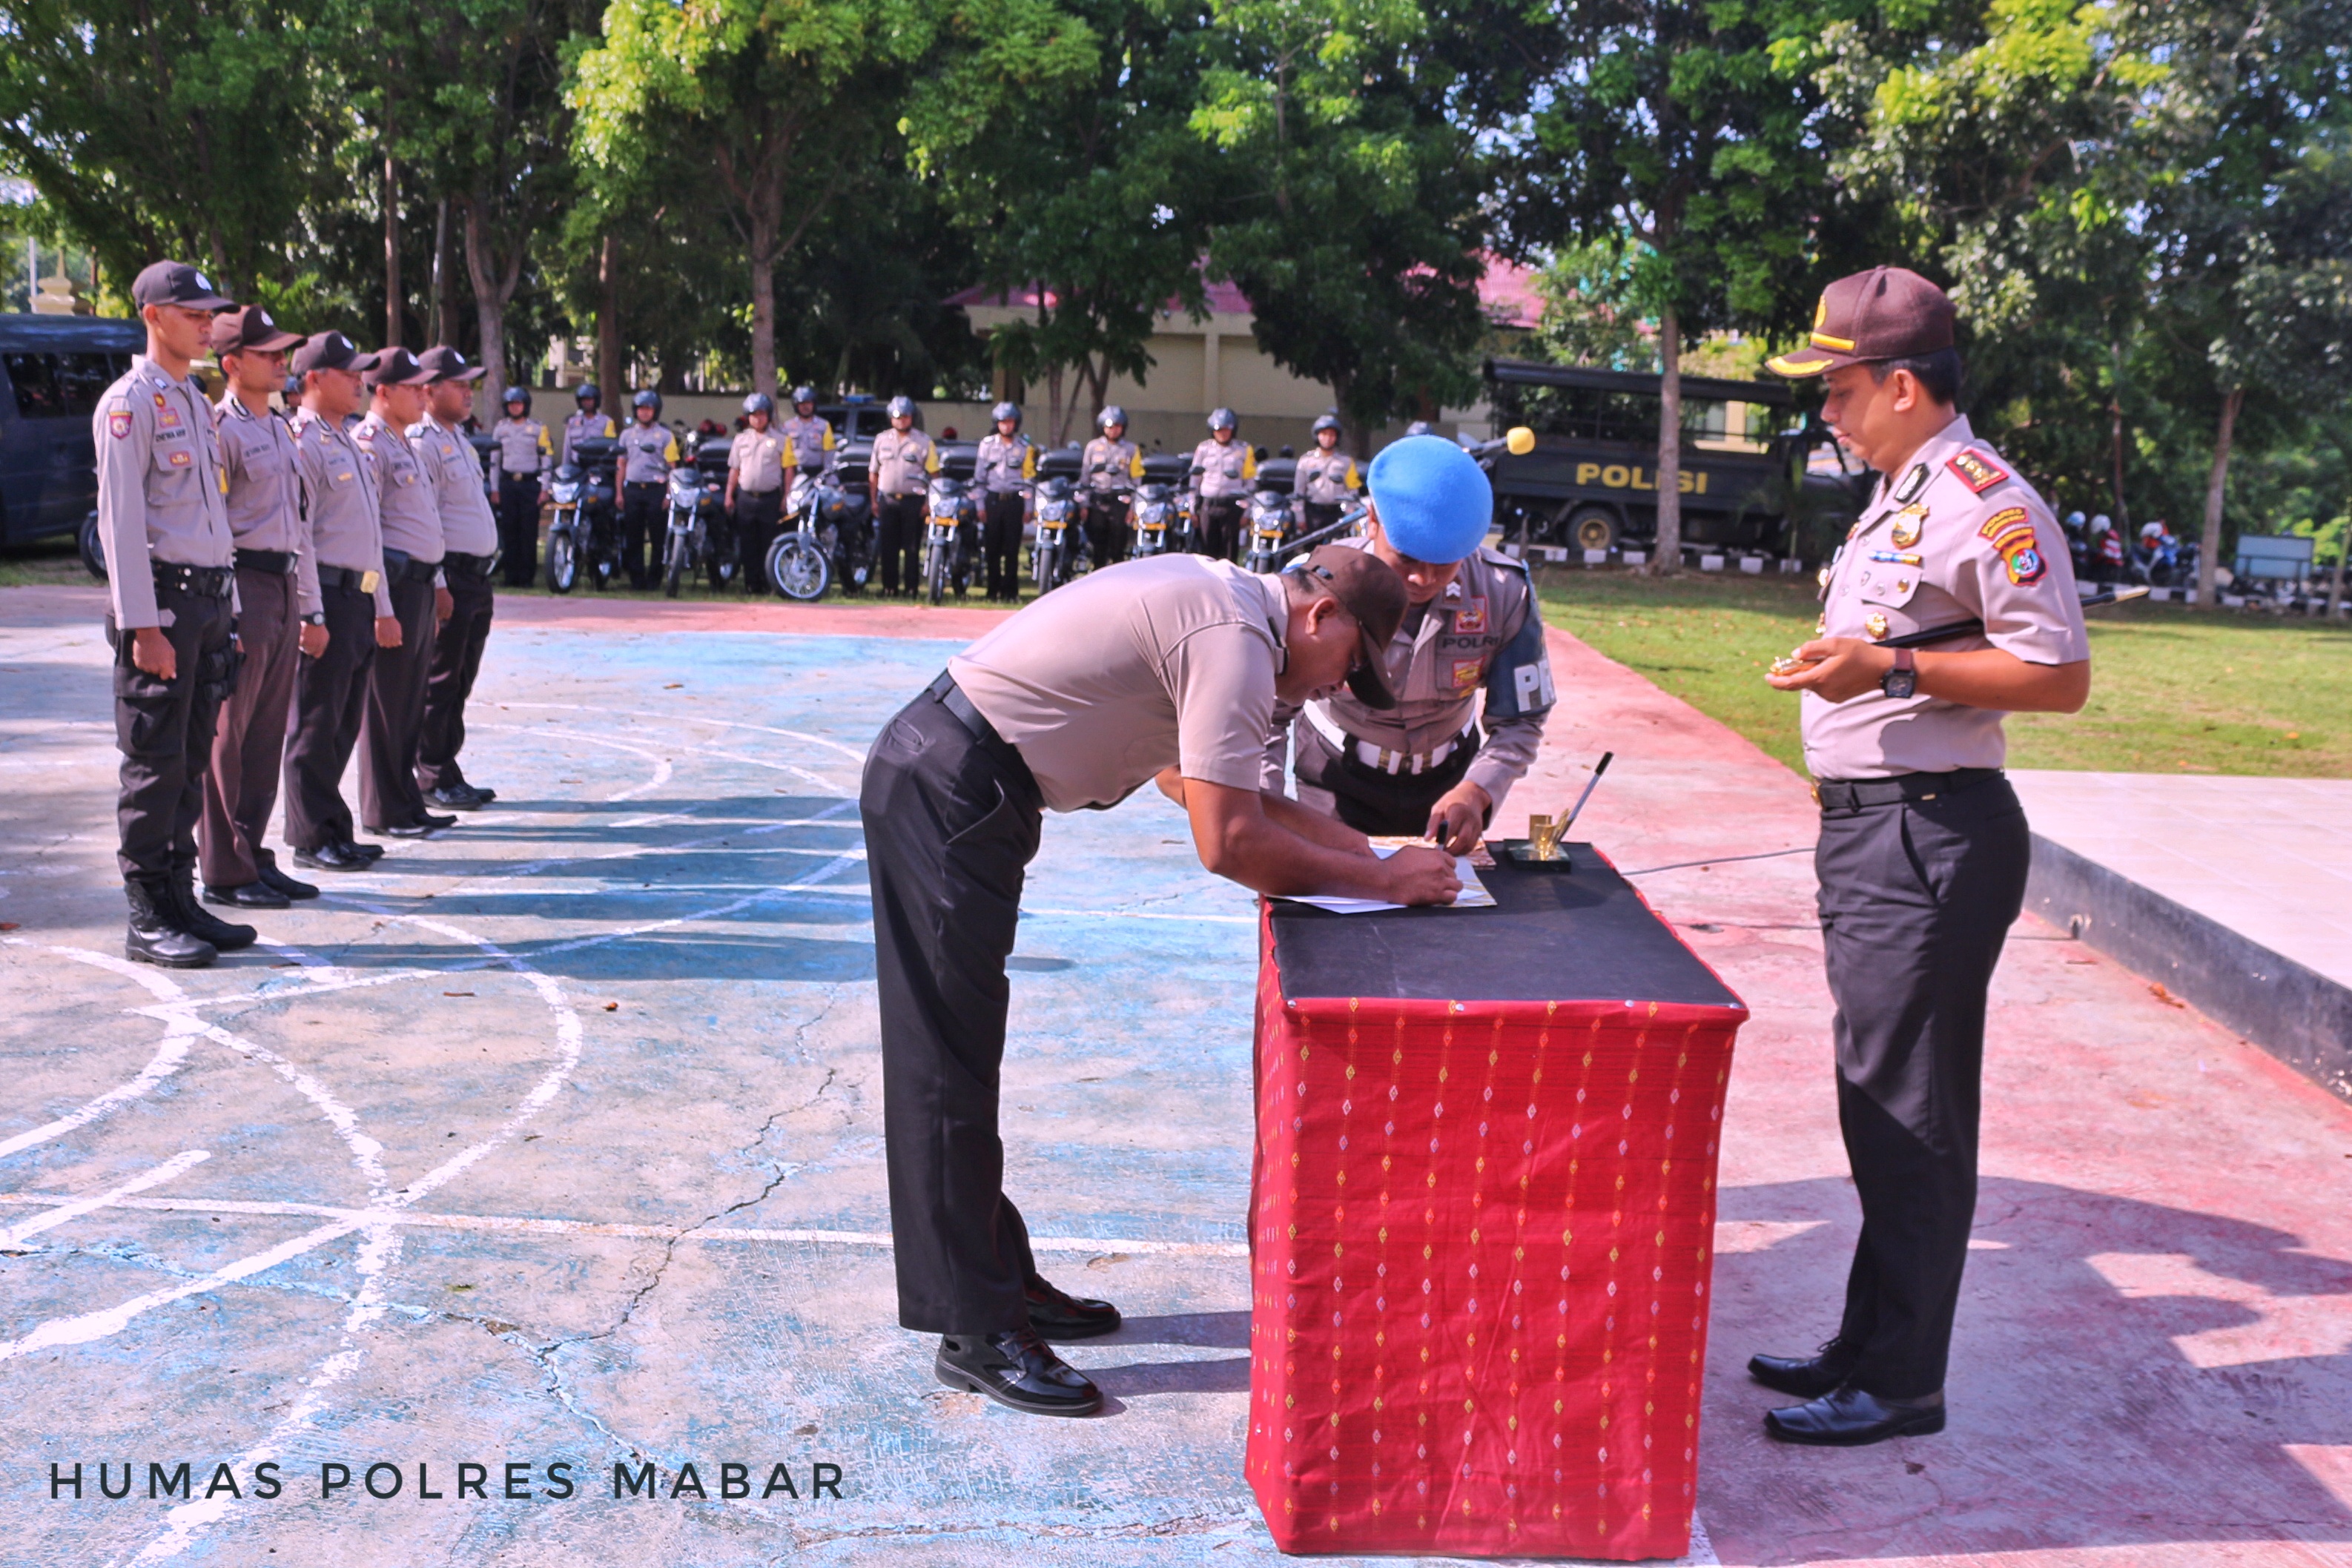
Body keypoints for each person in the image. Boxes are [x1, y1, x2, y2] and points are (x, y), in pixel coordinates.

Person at [862, 544, 1458, 1418]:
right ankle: (974, 1327)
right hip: (949, 784)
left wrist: (1371, 854)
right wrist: (1384, 883)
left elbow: (1202, 786)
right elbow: (1231, 844)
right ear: (1321, 617)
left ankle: (998, 1281)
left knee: (960, 1051)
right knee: (943, 1065)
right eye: (1349, 666)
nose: (1336, 687)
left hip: (964, 782)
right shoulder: (1235, 638)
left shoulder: (1230, 609)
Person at [1756, 266, 2090, 1446]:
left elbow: (2060, 675)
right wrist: (1849, 658)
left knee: (1912, 1112)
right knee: (1875, 1096)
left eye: (1837, 390)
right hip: (1878, 828)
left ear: (1902, 385)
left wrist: (1890, 669)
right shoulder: (1901, 492)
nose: (1826, 414)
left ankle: (1902, 1379)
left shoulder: (1984, 499)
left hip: (1932, 832)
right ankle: (1866, 1340)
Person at [1269, 435, 1554, 850]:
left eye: (1444, 564)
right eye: (1406, 558)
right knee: (1331, 905)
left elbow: (1521, 720)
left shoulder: (1504, 592)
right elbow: (1267, 715)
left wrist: (1479, 788)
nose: (1423, 579)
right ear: (1372, 520)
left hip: (1450, 786)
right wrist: (1266, 806)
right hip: (1336, 780)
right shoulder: (1312, 585)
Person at [91, 261, 245, 967]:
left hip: (207, 601)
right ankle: (147, 913)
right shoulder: (129, 404)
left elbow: (214, 516)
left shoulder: (192, 400)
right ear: (154, 315)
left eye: (209, 313)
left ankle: (181, 899)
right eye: (192, 312)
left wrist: (232, 608)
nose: (206, 322)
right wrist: (141, 626)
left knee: (187, 764)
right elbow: (121, 524)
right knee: (153, 765)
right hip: (163, 606)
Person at [198, 305, 317, 913]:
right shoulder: (223, 430)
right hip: (243, 586)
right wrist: (234, 610)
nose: (280, 360)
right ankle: (222, 866)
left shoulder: (280, 427)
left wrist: (308, 605)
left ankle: (253, 852)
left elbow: (299, 524)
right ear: (232, 363)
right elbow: (217, 524)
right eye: (267, 352)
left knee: (267, 733)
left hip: (282, 586)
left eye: (282, 351)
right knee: (229, 734)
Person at [283, 332, 395, 873]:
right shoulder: (302, 441)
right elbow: (300, 534)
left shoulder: (346, 438)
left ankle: (333, 827)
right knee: (315, 721)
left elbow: (369, 535)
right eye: (347, 372)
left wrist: (380, 604)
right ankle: (311, 835)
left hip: (359, 594)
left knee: (344, 719)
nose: (358, 380)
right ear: (313, 378)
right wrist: (311, 611)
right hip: (325, 593)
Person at [354, 345, 455, 840]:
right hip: (390, 585)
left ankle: (406, 800)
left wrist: (435, 580)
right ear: (384, 391)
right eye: (412, 388)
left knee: (411, 701)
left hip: (417, 582)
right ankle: (382, 807)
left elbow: (425, 521)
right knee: (386, 705)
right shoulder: (369, 443)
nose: (421, 395)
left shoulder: (404, 442)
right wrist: (379, 605)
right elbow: (368, 532)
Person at [409, 346, 501, 811]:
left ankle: (445, 765)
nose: (469, 392)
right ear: (428, 390)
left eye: (470, 384)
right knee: (440, 678)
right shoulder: (422, 443)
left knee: (461, 677)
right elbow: (425, 519)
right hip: (451, 578)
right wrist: (440, 582)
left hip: (476, 578)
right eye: (459, 384)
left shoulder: (458, 439)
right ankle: (430, 772)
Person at [868, 395, 938, 596]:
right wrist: (874, 500)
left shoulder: (924, 442)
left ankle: (911, 589)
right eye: (898, 417)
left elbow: (935, 475)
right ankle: (889, 588)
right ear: (891, 417)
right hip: (887, 500)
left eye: (906, 417)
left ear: (912, 418)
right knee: (888, 547)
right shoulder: (881, 440)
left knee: (912, 547)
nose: (902, 421)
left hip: (914, 502)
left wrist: (928, 502)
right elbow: (873, 473)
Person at [727, 392, 795, 595]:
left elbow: (789, 470)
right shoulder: (740, 440)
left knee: (769, 543)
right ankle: (751, 583)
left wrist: (786, 497)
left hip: (770, 499)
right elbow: (734, 469)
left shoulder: (782, 440)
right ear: (748, 417)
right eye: (754, 414)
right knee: (747, 543)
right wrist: (729, 495)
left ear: (769, 416)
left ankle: (768, 583)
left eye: (762, 414)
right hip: (746, 498)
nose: (758, 418)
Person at [615, 388, 679, 590]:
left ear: (655, 411)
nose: (644, 413)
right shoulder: (626, 435)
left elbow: (672, 469)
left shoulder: (666, 436)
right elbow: (621, 466)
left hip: (657, 491)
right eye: (641, 409)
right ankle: (637, 579)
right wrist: (619, 492)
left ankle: (655, 579)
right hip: (633, 490)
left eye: (648, 409)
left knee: (657, 537)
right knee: (633, 537)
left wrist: (669, 494)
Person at [973, 402, 1034, 602]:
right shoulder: (987, 445)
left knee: (1012, 548)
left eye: (1010, 422)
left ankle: (1010, 592)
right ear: (996, 423)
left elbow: (1029, 481)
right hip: (992, 501)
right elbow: (979, 478)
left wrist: (1028, 508)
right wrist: (980, 506)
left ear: (1016, 423)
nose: (1006, 426)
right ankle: (992, 591)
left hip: (1014, 502)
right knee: (992, 548)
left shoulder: (1025, 448)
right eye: (1002, 422)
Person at [491, 386, 551, 588]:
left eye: (518, 404)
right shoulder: (501, 429)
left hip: (530, 486)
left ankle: (527, 578)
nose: (515, 408)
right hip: (508, 485)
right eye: (511, 404)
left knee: (528, 532)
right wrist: (494, 488)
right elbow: (494, 462)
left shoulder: (538, 429)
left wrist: (545, 488)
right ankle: (511, 576)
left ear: (525, 406)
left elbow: (546, 459)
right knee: (510, 531)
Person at [1079, 405, 1143, 571]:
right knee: (1098, 547)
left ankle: (1118, 582)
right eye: (1110, 426)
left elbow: (1137, 481)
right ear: (1103, 427)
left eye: (1117, 426)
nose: (1113, 430)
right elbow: (1085, 477)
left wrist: (1133, 507)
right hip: (1097, 502)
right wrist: (1084, 504)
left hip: (1120, 503)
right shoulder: (1092, 447)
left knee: (1118, 547)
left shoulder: (1131, 449)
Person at [1189, 407, 1256, 561]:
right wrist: (1193, 508)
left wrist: (1247, 512)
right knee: (1206, 551)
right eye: (1219, 430)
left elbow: (1250, 483)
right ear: (1212, 430)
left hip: (1232, 506)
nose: (1223, 433)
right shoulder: (1204, 449)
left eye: (1227, 430)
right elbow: (1195, 480)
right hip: (1208, 505)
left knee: (1229, 552)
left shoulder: (1244, 449)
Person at [1292, 412, 1361, 537]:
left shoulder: (1346, 461)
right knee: (1312, 551)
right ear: (1317, 435)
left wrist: (1349, 516)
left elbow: (1353, 491)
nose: (1328, 438)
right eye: (1324, 434)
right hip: (1312, 513)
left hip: (1336, 513)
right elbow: (1299, 492)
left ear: (1337, 437)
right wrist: (1300, 517)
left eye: (1332, 435)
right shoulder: (1305, 461)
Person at [779, 386, 835, 477]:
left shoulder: (824, 425)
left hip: (818, 474)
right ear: (796, 406)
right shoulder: (787, 427)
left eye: (808, 403)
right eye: (802, 404)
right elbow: (784, 455)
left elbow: (829, 452)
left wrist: (828, 476)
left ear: (814, 404)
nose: (805, 407)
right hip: (795, 474)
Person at [558, 382, 615, 470]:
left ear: (596, 400)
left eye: (590, 399)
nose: (586, 403)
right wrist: (565, 468)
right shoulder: (572, 421)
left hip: (597, 468)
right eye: (584, 400)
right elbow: (567, 448)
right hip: (576, 467)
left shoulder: (607, 422)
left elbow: (610, 449)